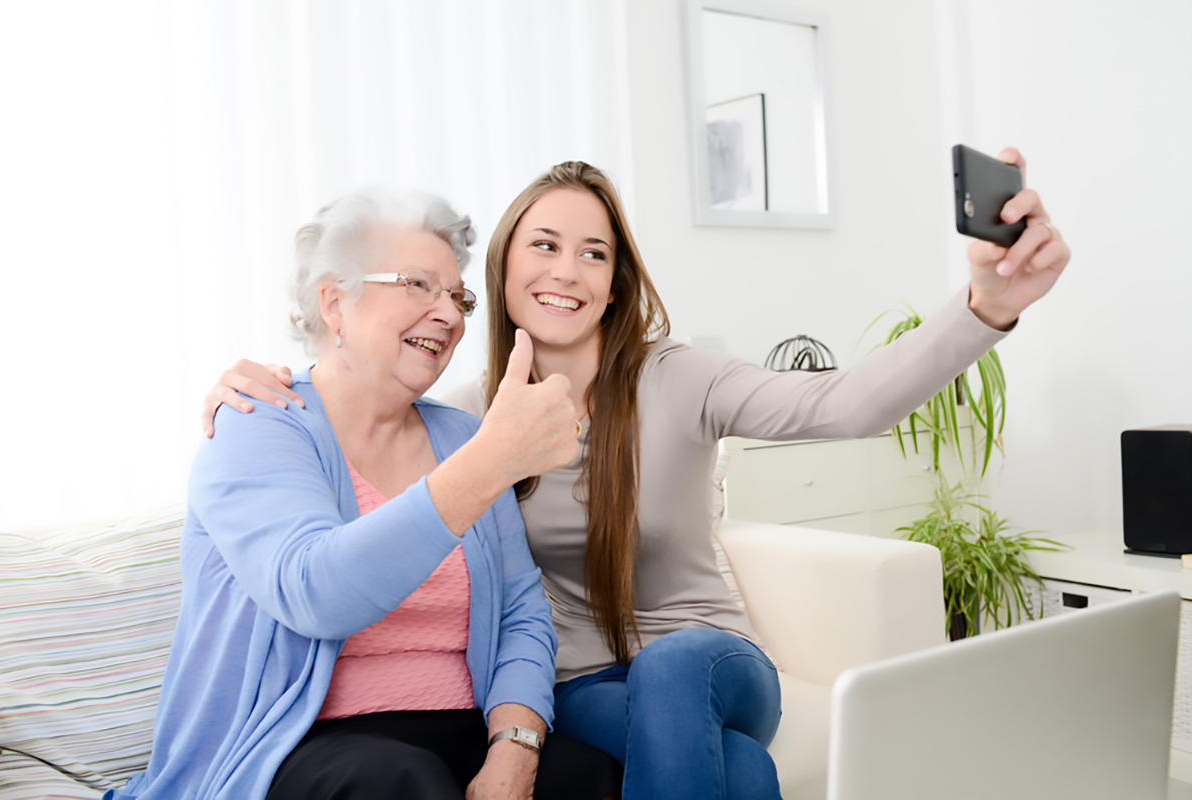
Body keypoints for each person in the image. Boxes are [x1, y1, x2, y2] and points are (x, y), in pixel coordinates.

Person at [205, 152, 1070, 799]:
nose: (567, 271)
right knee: (734, 770)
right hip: (579, 686)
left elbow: (841, 405)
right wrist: (256, 382)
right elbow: (347, 404)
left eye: (594, 254)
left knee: (672, 671)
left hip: (713, 661)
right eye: (544, 245)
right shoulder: (469, 418)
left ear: (616, 282)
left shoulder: (680, 377)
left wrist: (985, 308)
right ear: (502, 270)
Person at [113, 189, 622, 800]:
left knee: (592, 777)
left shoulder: (461, 434)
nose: (452, 314)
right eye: (417, 285)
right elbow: (314, 591)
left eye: (457, 296)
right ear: (334, 302)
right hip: (297, 745)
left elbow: (520, 612)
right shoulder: (256, 422)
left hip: (460, 730)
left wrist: (516, 749)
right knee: (402, 783)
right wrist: (490, 462)